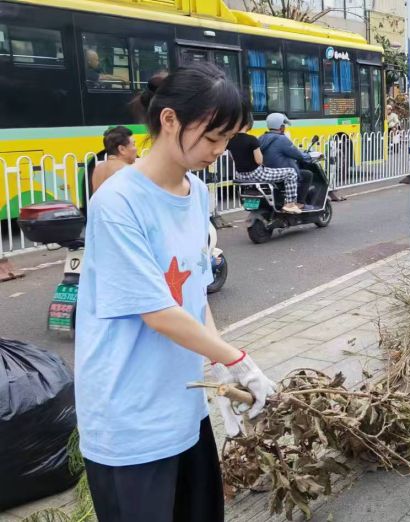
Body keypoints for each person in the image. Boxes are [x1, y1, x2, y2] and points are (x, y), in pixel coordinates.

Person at [75, 63, 275, 521]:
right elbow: (158, 312)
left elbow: (194, 294)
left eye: (227, 140)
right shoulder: (118, 202)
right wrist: (237, 359)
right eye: (211, 138)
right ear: (169, 121)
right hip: (130, 417)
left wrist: (218, 363)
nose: (220, 150)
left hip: (182, 406)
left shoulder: (197, 193)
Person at [227, 120, 306, 214]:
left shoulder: (230, 140)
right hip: (256, 174)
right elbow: (259, 161)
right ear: (248, 124)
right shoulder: (252, 139)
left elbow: (232, 158)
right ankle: (290, 204)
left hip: (240, 175)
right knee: (291, 173)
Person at [258, 113, 315, 209]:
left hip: (267, 173)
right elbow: (298, 155)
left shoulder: (262, 138)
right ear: (281, 127)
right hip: (282, 174)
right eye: (283, 125)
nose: (284, 128)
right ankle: (300, 203)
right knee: (307, 174)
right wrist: (310, 156)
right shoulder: (282, 139)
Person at [91, 126, 137, 193]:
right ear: (122, 149)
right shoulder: (127, 170)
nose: (136, 149)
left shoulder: (98, 168)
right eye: (133, 144)